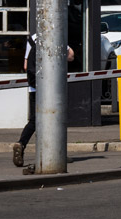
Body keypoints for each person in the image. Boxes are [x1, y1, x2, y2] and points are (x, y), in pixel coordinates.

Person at [12, 33, 75, 168]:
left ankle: (21, 143)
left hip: (34, 88)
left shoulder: (32, 39)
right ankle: (57, 154)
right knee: (54, 118)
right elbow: (71, 56)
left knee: (35, 120)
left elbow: (25, 65)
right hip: (51, 88)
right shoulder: (55, 32)